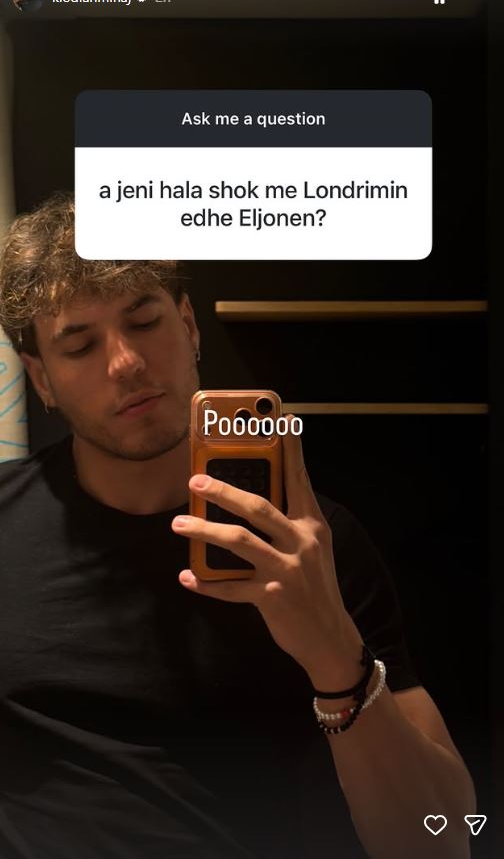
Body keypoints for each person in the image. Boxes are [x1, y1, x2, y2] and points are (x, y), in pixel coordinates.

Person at [0, 193, 474, 859]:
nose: (126, 362)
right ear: (41, 380)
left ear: (189, 325)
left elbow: (442, 840)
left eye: (145, 321)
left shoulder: (312, 543)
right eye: (80, 345)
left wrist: (333, 653)